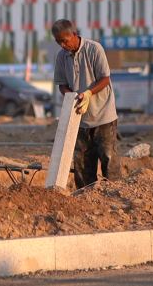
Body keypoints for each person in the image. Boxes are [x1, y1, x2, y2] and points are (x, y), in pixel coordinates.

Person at [51, 19, 118, 189]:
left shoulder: (94, 49)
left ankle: (114, 194)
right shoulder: (61, 57)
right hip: (79, 118)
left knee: (108, 157)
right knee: (81, 164)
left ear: (74, 34)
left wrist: (88, 93)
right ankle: (84, 198)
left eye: (64, 41)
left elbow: (105, 79)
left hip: (103, 116)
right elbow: (62, 84)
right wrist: (71, 97)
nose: (63, 45)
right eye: (58, 42)